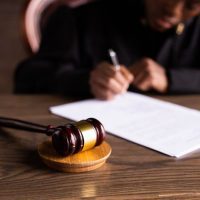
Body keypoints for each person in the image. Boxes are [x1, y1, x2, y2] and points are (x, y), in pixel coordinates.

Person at [15, 0, 200, 100]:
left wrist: (170, 79)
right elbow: (27, 76)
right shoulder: (80, 18)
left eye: (191, 5)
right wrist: (87, 80)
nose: (173, 11)